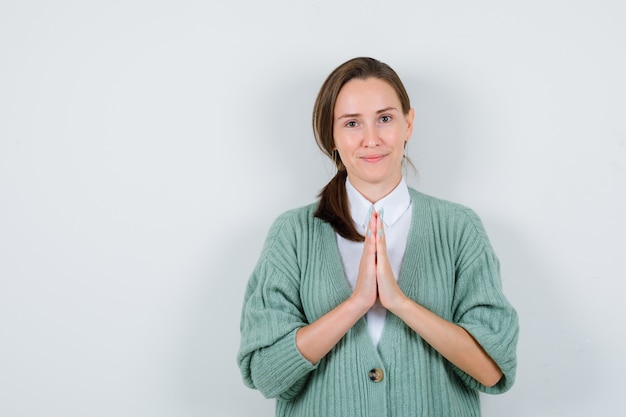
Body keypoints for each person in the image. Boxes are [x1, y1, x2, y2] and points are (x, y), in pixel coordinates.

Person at [237, 57, 519, 417]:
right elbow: (266, 375)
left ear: (408, 124)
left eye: (385, 119)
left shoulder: (458, 227)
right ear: (333, 137)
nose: (371, 139)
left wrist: (400, 303)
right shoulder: (292, 234)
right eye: (352, 123)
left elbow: (492, 370)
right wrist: (355, 303)